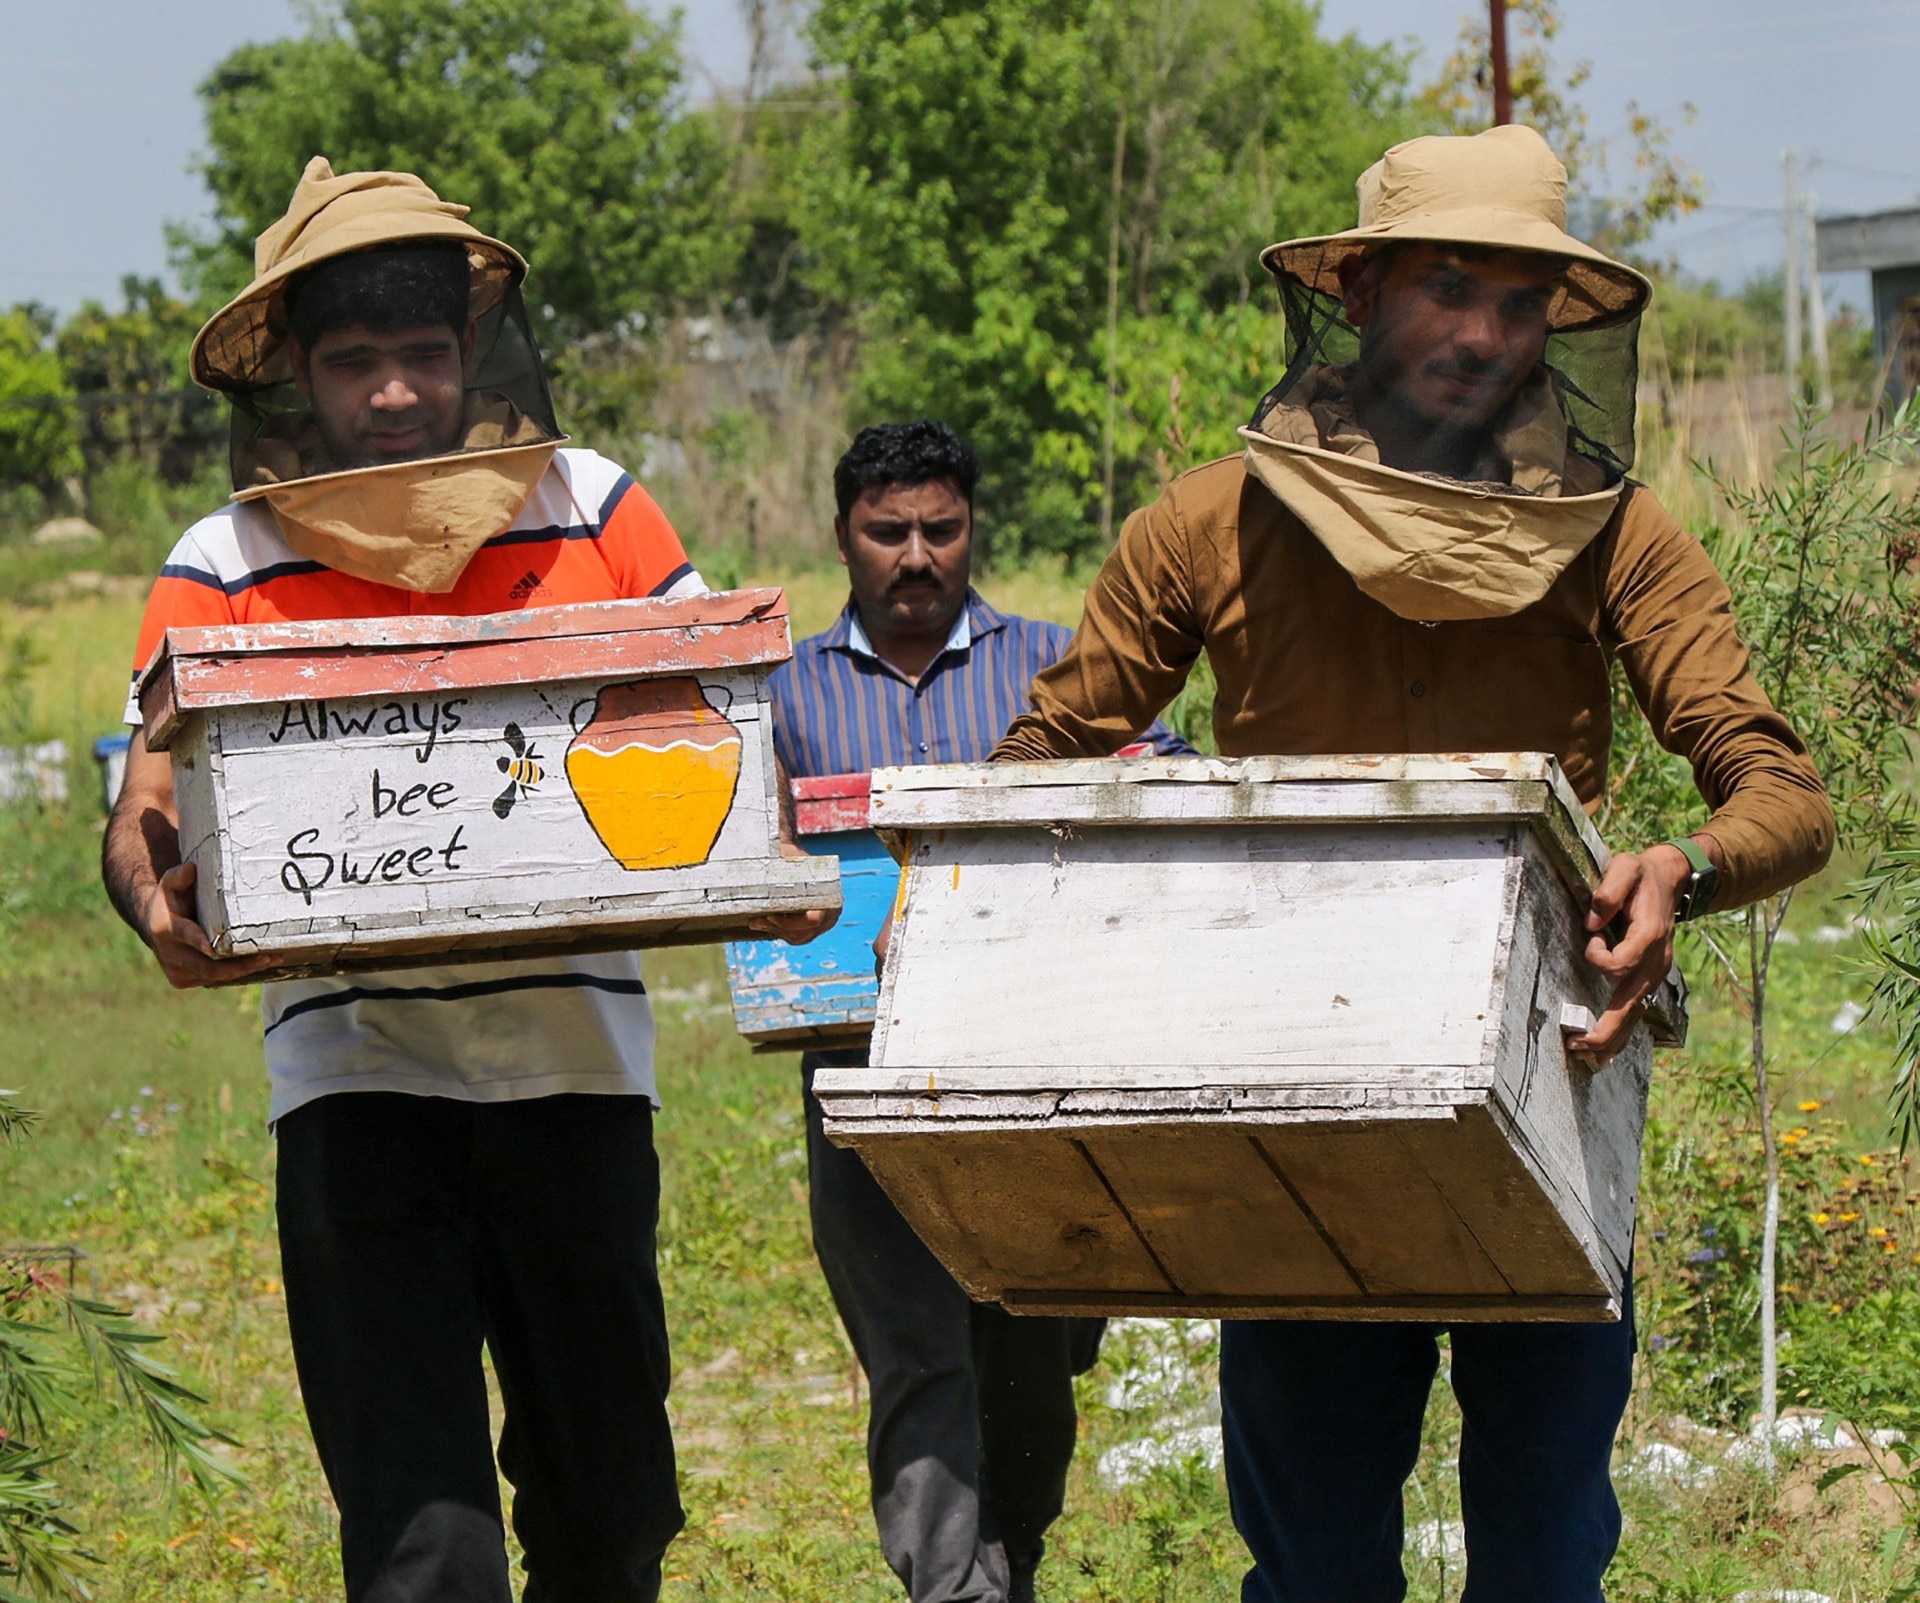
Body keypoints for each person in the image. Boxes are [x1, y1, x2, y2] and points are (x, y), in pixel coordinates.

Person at [989, 126, 1834, 1601]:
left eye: (1520, 303)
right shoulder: (1207, 521)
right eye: (1451, 289)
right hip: (1291, 1084)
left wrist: (1681, 863)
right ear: (1365, 289)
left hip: (1549, 1082)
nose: (1485, 333)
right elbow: (1043, 760)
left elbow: (1780, 789)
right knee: (1313, 1556)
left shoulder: (1617, 533)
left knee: (1547, 1544)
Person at [101, 157, 798, 1603]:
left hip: (577, 1080)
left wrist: (769, 846)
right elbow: (143, 801)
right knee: (422, 1547)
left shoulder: (596, 507)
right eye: (356, 362)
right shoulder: (222, 557)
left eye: (422, 354)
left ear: (473, 349)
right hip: (358, 1091)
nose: (398, 394)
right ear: (295, 369)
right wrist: (153, 892)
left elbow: (721, 713)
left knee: (612, 1516)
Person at [769, 419, 1188, 1603]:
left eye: (939, 530)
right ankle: (954, 1587)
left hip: (1035, 1071)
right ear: (843, 537)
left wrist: (1140, 774)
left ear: (973, 533)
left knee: (1033, 1353)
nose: (915, 555)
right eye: (887, 530)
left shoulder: (1058, 664)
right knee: (914, 1349)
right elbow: (738, 850)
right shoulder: (785, 695)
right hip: (862, 1075)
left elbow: (1163, 760)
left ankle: (1014, 1552)